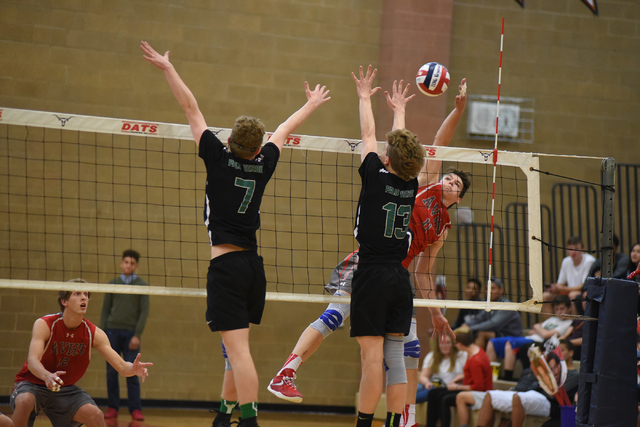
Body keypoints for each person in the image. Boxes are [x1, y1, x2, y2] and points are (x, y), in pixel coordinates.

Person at [140, 41, 331, 427]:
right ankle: (224, 417)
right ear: (257, 147)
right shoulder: (264, 163)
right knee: (233, 349)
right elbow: (283, 130)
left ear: (229, 142)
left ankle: (249, 420)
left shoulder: (217, 157)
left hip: (226, 268)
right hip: (252, 267)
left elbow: (190, 109)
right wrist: (311, 104)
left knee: (239, 352)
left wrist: (167, 68)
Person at [267, 76, 470, 427]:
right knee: (341, 320)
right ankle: (290, 368)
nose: (450, 182)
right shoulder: (422, 186)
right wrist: (455, 111)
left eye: (457, 184)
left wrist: (435, 312)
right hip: (372, 261)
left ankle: (402, 421)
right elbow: (435, 142)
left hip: (397, 274)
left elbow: (423, 272)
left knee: (405, 350)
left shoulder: (442, 228)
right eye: (449, 178)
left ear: (460, 198)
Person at [346, 64, 426, 427]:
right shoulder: (411, 185)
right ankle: (394, 422)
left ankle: (365, 423)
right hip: (399, 278)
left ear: (388, 159)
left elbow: (367, 134)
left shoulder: (374, 178)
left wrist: (364, 97)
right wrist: (400, 111)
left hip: (372, 275)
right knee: (395, 357)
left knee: (371, 357)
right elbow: (394, 147)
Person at [10, 283, 152, 427]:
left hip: (65, 388)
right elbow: (33, 361)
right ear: (64, 301)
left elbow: (122, 366)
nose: (83, 297)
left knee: (95, 415)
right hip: (33, 383)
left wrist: (133, 369)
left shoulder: (94, 333)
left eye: (86, 294)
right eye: (77, 294)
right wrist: (47, 375)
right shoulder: (45, 324)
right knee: (24, 401)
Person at [474, 340, 578, 427]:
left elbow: (554, 395)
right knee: (490, 395)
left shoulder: (575, 374)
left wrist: (545, 385)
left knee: (517, 398)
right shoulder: (551, 369)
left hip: (549, 402)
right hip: (533, 393)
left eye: (562, 350)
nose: (557, 353)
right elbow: (534, 386)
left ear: (571, 352)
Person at [100, 249, 150, 421]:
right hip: (112, 332)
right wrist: (102, 334)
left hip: (131, 334)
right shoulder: (112, 283)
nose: (129, 265)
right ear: (122, 263)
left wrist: (137, 335)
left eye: (132, 263)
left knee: (133, 371)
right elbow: (105, 311)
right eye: (126, 262)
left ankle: (135, 409)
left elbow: (144, 312)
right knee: (112, 372)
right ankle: (113, 407)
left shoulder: (142, 285)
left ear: (136, 266)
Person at [486, 295, 573, 380]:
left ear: (569, 308)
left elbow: (545, 334)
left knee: (510, 344)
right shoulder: (552, 319)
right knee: (492, 342)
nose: (559, 312)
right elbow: (532, 330)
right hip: (527, 338)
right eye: (557, 309)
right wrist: (541, 330)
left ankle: (507, 378)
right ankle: (488, 375)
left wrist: (539, 330)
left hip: (536, 342)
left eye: (562, 309)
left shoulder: (568, 323)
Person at [425, 327, 492, 427]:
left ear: (460, 345)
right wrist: (457, 380)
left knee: (443, 398)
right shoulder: (474, 352)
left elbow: (479, 387)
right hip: (471, 388)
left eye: (455, 343)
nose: (455, 346)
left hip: (479, 393)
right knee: (433, 393)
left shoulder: (475, 360)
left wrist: (457, 387)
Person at [462, 277, 523, 350]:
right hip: (498, 333)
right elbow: (479, 318)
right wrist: (466, 325)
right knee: (467, 333)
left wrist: (469, 328)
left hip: (512, 336)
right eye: (487, 289)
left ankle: (478, 358)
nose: (489, 291)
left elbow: (493, 324)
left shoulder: (506, 305)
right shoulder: (490, 304)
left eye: (493, 288)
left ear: (501, 290)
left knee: (481, 334)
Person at [416, 335, 467, 403]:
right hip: (432, 385)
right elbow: (423, 376)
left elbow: (467, 375)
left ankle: (403, 405)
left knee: (415, 397)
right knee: (414, 388)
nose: (444, 346)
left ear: (453, 344)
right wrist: (427, 382)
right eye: (442, 343)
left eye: (448, 343)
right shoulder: (432, 356)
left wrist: (455, 380)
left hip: (448, 387)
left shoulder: (462, 355)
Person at [544, 236, 595, 303]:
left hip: (584, 292)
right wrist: (554, 288)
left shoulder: (589, 261)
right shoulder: (566, 261)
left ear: (582, 250)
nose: (573, 252)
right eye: (570, 249)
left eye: (576, 249)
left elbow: (583, 286)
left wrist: (561, 288)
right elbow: (560, 284)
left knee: (572, 295)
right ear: (567, 250)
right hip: (568, 291)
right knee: (545, 296)